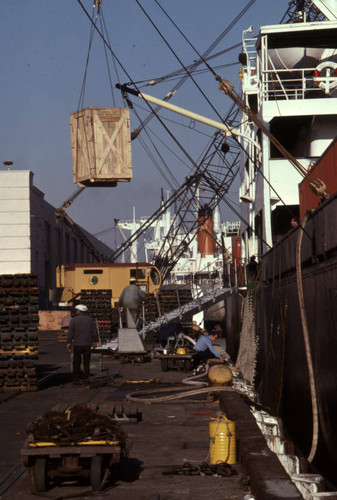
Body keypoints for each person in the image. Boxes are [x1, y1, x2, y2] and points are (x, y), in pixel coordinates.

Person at [66, 304, 98, 384]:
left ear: (79, 311)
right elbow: (94, 332)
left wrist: (68, 342)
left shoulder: (73, 320)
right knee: (86, 362)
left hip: (77, 345)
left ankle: (76, 379)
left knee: (76, 362)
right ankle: (86, 378)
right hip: (87, 344)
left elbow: (70, 333)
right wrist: (95, 341)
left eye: (77, 310)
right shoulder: (90, 320)